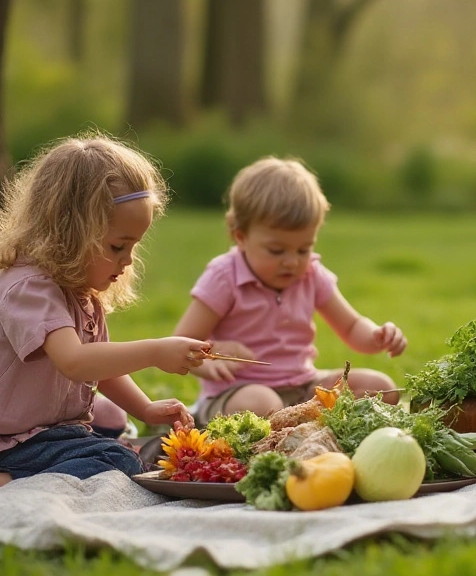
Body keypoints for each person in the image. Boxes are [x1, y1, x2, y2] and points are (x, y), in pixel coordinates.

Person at [0, 135, 207, 494]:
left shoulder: (80, 291)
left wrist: (145, 408)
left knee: (111, 418)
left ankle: (72, 455)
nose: (127, 261)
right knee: (120, 461)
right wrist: (156, 351)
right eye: (117, 246)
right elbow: (76, 362)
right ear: (72, 232)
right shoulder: (29, 288)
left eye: (134, 246)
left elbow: (101, 371)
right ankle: (6, 480)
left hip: (38, 429)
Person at [173, 156, 407, 421]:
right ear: (241, 236)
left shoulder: (311, 274)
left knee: (381, 388)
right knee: (262, 403)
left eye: (304, 249)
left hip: (303, 386)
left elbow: (351, 327)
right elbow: (181, 345)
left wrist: (377, 335)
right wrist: (216, 354)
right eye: (276, 250)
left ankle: (302, 424)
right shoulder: (224, 277)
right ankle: (294, 425)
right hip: (238, 393)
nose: (292, 261)